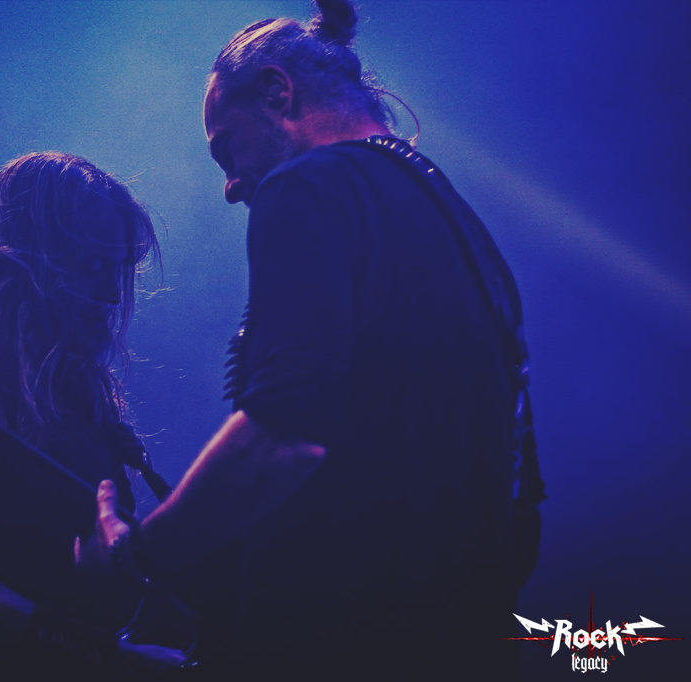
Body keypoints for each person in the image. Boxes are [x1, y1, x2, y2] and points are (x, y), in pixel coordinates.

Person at [77, 1, 545, 679]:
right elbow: (519, 508)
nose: (230, 186)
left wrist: (137, 558)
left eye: (226, 149)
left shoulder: (306, 187)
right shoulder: (468, 232)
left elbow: (288, 433)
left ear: (277, 91)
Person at [0, 152, 182, 679]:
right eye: (93, 265)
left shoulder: (76, 396)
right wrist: (109, 658)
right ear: (28, 261)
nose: (111, 293)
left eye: (119, 269)